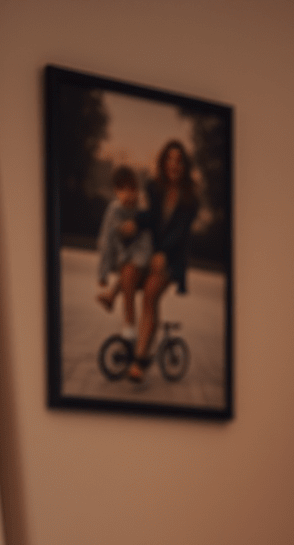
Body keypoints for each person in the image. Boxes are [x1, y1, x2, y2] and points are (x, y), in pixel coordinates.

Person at [120, 140, 199, 384]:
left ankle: (140, 359)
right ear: (163, 162)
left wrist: (163, 253)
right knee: (129, 275)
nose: (173, 164)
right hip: (153, 252)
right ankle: (133, 334)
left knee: (152, 292)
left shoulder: (190, 199)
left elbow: (180, 232)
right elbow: (152, 216)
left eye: (179, 161)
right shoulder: (154, 187)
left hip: (173, 258)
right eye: (169, 159)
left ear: (184, 166)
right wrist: (135, 222)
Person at [95, 166, 152, 337]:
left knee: (128, 271)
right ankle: (114, 300)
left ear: (138, 190)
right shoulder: (114, 210)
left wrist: (139, 262)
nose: (128, 195)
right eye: (122, 190)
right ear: (116, 192)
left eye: (132, 189)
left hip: (144, 259)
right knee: (127, 270)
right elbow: (105, 241)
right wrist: (102, 273)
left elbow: (148, 242)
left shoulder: (142, 210)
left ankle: (129, 325)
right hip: (124, 259)